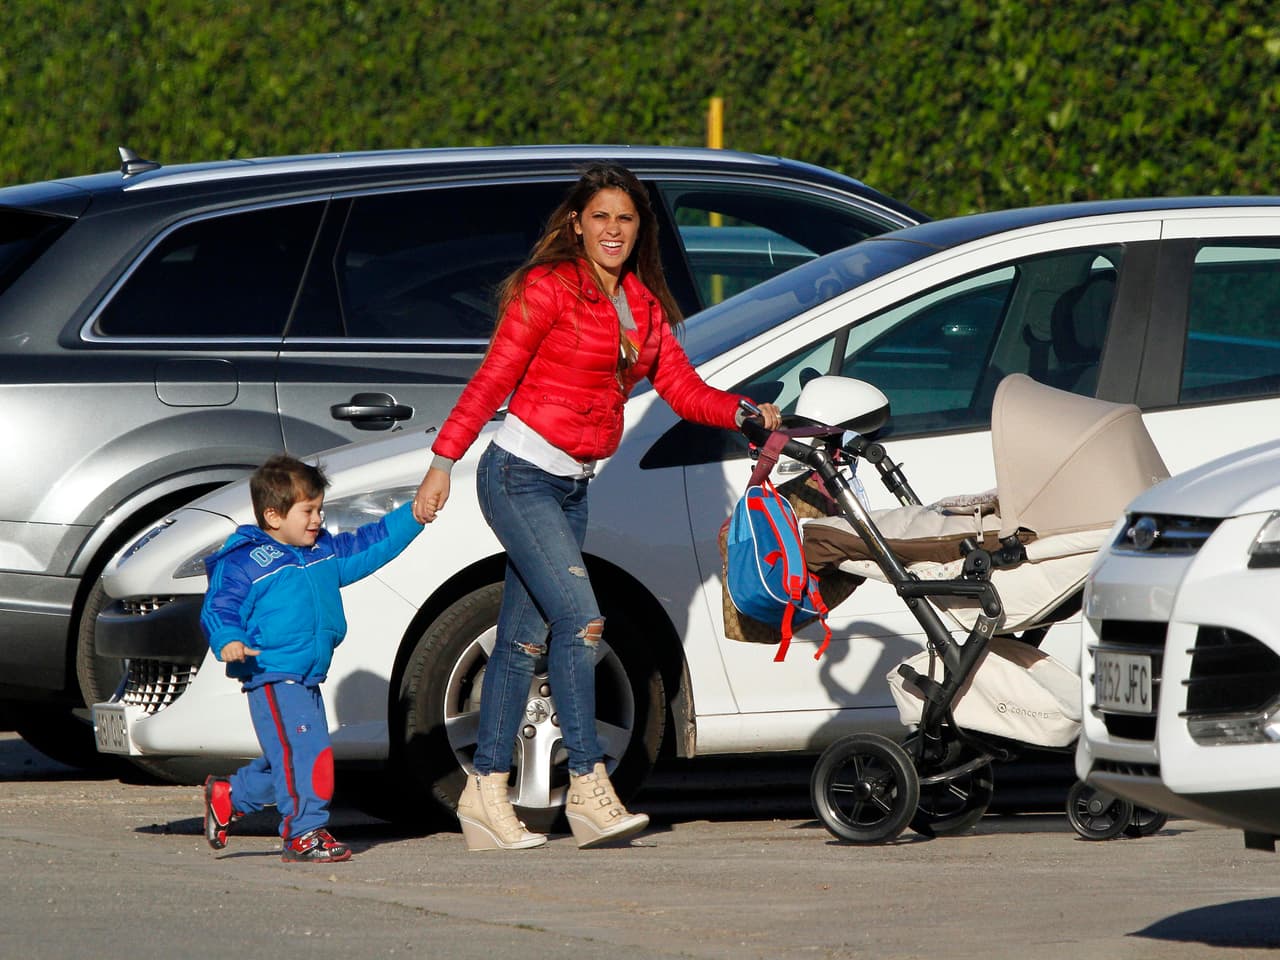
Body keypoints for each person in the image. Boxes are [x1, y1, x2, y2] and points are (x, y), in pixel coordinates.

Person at [412, 163, 781, 851]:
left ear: (640, 230)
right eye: (601, 216)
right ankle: (587, 782)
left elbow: (682, 389)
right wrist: (443, 464)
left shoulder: (642, 305)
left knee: (523, 643)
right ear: (577, 223)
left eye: (626, 218)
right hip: (518, 475)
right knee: (581, 620)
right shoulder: (547, 289)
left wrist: (741, 412)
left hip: (573, 487)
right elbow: (494, 376)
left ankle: (485, 793)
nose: (613, 229)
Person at [200, 454, 425, 863]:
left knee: (293, 757)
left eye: (319, 509)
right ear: (273, 515)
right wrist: (228, 637)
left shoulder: (320, 553)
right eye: (307, 510)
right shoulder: (248, 562)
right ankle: (303, 834)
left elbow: (369, 544)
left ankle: (230, 796)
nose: (317, 519)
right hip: (272, 674)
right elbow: (220, 605)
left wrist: (414, 515)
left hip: (307, 676)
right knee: (311, 755)